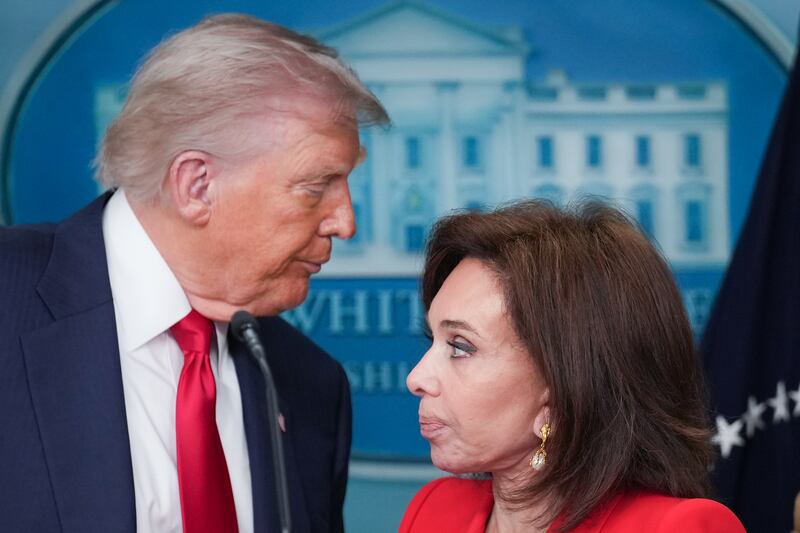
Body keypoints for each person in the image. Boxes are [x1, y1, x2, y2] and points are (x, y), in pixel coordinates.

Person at [0, 14, 388, 533]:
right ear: (197, 185)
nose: (346, 222)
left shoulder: (311, 387)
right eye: (317, 186)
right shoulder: (9, 297)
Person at [400, 200, 745, 533]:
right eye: (433, 340)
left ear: (564, 384)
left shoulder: (679, 528)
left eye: (461, 346)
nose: (416, 378)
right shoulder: (433, 508)